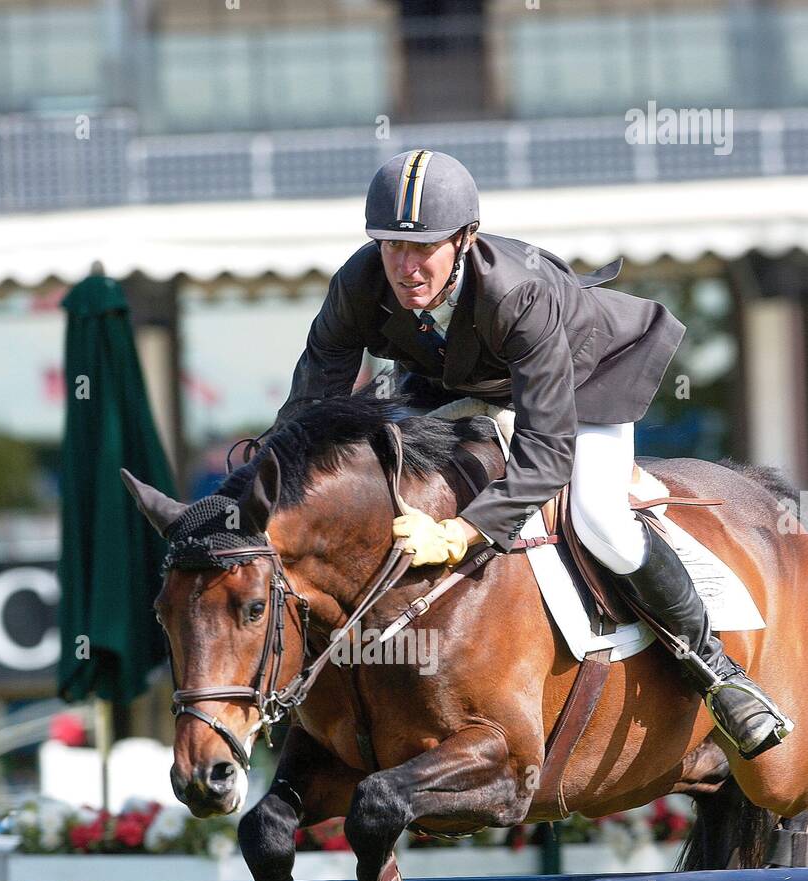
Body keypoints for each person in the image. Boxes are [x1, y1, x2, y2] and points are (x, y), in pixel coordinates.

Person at [276, 148, 791, 759]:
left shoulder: (516, 292)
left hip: (584, 380)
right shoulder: (359, 284)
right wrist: (273, 486)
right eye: (391, 246)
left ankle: (717, 673)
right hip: (461, 385)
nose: (406, 266)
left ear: (465, 239)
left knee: (602, 519)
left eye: (425, 247)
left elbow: (545, 450)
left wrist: (463, 532)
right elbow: (313, 399)